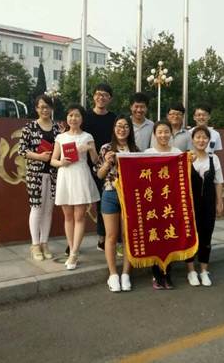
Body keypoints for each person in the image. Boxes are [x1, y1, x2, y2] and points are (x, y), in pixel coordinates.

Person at [51, 104, 100, 270]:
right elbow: (53, 160)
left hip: (80, 175)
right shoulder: (61, 137)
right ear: (67, 118)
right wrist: (61, 162)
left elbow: (95, 160)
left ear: (82, 118)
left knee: (79, 216)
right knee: (68, 217)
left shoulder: (87, 136)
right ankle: (72, 248)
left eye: (77, 115)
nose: (73, 118)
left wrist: (90, 148)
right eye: (71, 115)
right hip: (65, 175)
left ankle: (74, 253)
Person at [96, 115, 139, 292]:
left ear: (130, 130)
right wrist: (107, 163)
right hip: (110, 194)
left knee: (128, 236)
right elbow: (99, 174)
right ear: (114, 128)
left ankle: (126, 274)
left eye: (126, 126)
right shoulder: (106, 148)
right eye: (119, 126)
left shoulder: (135, 150)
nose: (122, 129)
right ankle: (113, 274)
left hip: (130, 196)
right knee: (111, 236)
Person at [18, 94, 60, 261]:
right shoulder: (30, 127)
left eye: (47, 107)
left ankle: (44, 243)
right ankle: (35, 244)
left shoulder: (57, 128)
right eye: (41, 107)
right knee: (36, 208)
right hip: (35, 173)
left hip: (53, 173)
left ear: (51, 108)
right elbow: (22, 150)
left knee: (48, 210)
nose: (44, 110)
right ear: (36, 108)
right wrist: (39, 157)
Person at [145, 120, 182, 290]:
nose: (163, 135)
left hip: (171, 203)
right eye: (159, 132)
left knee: (169, 237)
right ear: (154, 134)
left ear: (171, 134)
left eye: (166, 132)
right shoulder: (147, 153)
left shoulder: (177, 153)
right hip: (153, 203)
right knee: (155, 238)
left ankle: (167, 275)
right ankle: (156, 275)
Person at [186, 126, 224, 287]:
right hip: (190, 205)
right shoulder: (186, 158)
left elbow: (218, 182)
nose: (201, 140)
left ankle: (203, 270)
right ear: (192, 139)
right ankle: (191, 271)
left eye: (204, 137)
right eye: (198, 137)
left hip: (208, 204)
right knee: (190, 237)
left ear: (209, 140)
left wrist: (219, 202)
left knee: (206, 236)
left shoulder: (214, 159)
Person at [83, 83, 117, 253]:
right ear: (93, 97)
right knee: (81, 205)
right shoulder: (85, 117)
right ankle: (73, 243)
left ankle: (102, 238)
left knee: (104, 202)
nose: (101, 97)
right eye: (98, 94)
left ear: (110, 98)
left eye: (104, 95)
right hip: (85, 166)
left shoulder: (114, 118)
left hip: (108, 168)